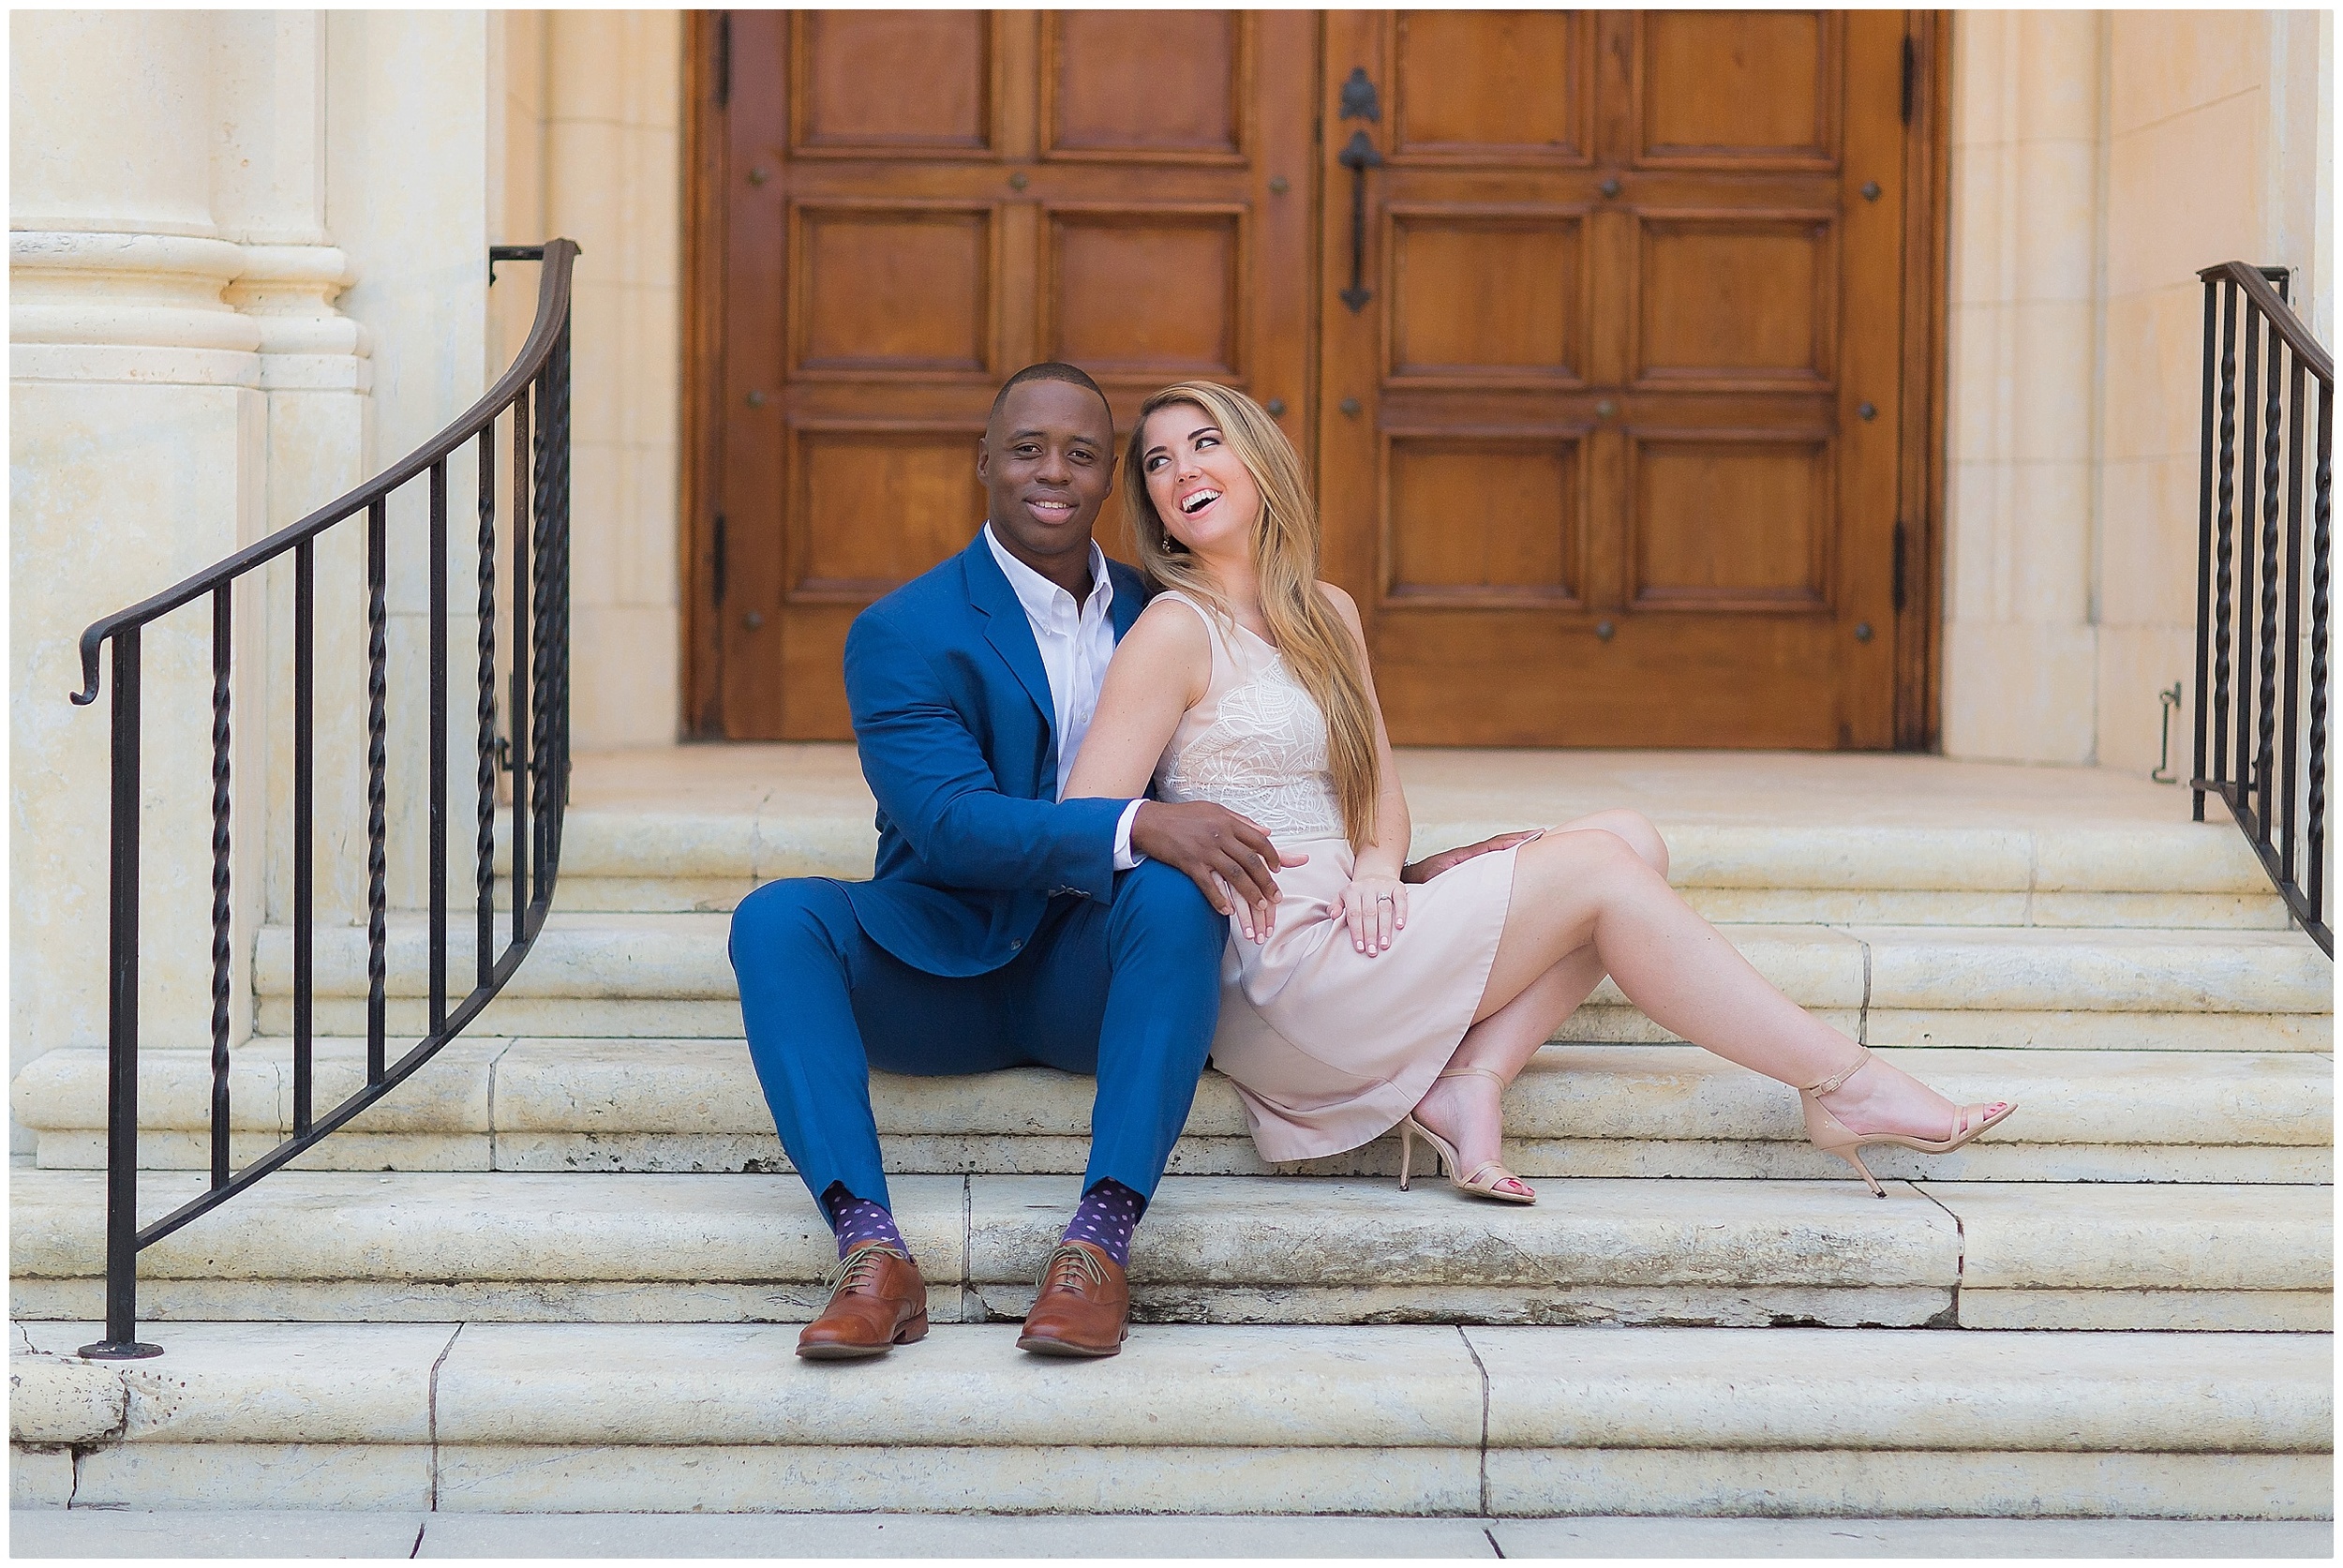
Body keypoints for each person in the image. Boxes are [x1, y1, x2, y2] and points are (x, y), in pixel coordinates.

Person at [1064, 381, 2015, 1202]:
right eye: (1154, 460)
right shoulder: (1173, 631)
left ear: (1257, 458)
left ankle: (1471, 1076)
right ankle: (1838, 1078)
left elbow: (1377, 787)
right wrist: (1202, 853)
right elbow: (1082, 821)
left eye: (1203, 442)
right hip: (1276, 976)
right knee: (1600, 872)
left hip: (1357, 920)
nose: (1178, 469)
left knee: (1629, 837)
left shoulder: (1327, 612)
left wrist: (1374, 867)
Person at [730, 362, 1420, 1361]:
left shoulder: (1174, 606)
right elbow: (954, 823)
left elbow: (1301, 756)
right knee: (774, 920)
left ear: (1111, 484)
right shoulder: (902, 633)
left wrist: (1391, 865)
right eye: (1026, 449)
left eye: (1083, 455)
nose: (1052, 472)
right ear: (984, 463)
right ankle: (872, 1252)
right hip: (942, 959)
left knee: (1182, 901)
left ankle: (1096, 1245)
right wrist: (1137, 824)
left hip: (1096, 973)